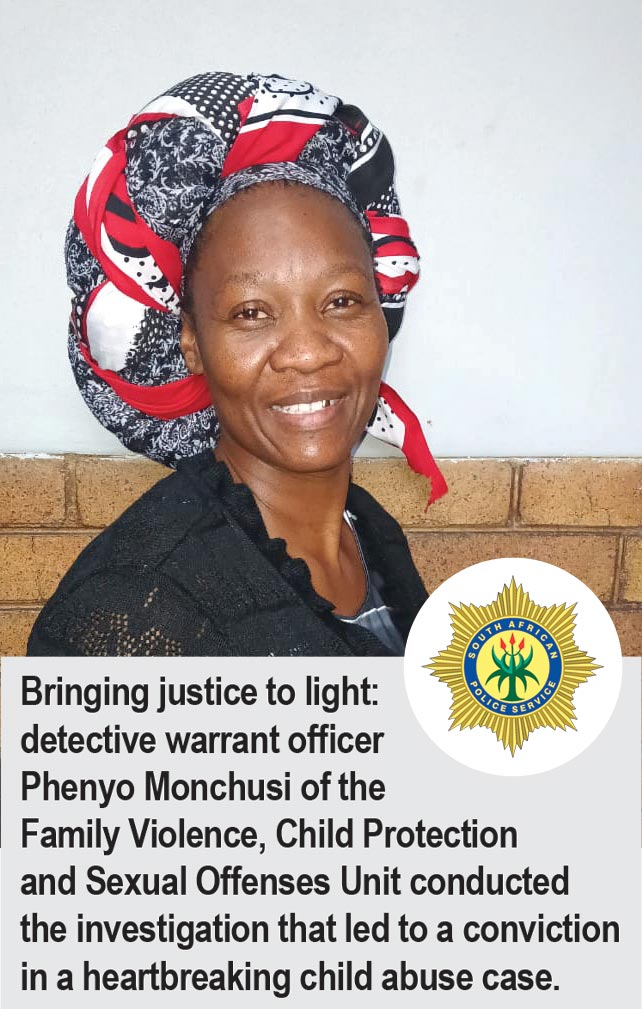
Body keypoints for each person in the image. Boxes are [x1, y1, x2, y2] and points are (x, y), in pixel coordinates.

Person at [27, 71, 447, 658]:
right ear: (191, 342)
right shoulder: (134, 606)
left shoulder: (367, 531)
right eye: (251, 313)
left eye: (343, 301)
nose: (308, 351)